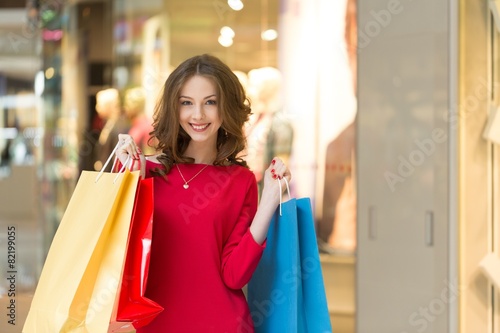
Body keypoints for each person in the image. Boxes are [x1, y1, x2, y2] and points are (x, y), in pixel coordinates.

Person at [115, 54, 291, 332]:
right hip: (155, 323)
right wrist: (123, 172)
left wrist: (269, 200)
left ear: (227, 108)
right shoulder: (145, 171)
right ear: (175, 108)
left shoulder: (240, 181)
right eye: (187, 103)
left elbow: (234, 276)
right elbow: (118, 249)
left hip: (221, 323)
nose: (197, 115)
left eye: (210, 102)